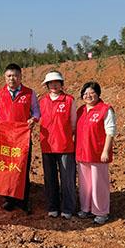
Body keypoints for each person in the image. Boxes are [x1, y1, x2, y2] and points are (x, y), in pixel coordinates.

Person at [0, 63, 40, 212]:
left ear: (20, 77)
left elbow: (36, 112)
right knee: (6, 168)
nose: (12, 78)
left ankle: (23, 200)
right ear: (5, 77)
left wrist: (33, 119)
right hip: (5, 139)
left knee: (22, 168)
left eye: (15, 76)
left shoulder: (29, 93)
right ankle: (8, 199)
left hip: (23, 138)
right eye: (9, 76)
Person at [75, 81, 117, 225]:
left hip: (98, 153)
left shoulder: (105, 110)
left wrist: (105, 151)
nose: (88, 96)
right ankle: (86, 208)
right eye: (85, 93)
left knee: (99, 183)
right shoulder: (80, 110)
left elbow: (110, 131)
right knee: (85, 184)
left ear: (98, 94)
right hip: (82, 153)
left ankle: (101, 212)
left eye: (92, 93)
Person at [39, 71, 77, 220]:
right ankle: (53, 206)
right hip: (47, 145)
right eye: (51, 83)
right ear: (47, 85)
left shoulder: (69, 100)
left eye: (57, 82)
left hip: (65, 145)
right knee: (50, 178)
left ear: (61, 84)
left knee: (67, 178)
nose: (54, 85)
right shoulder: (42, 101)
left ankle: (68, 207)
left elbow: (73, 123)